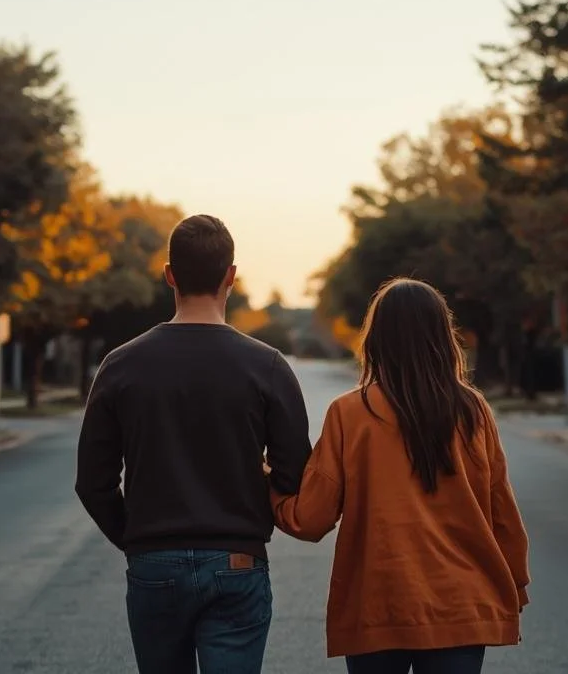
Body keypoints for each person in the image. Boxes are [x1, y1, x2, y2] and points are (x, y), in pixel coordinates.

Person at [75, 214, 312, 674]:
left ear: (169, 275)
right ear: (231, 276)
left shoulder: (120, 366)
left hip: (154, 563)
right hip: (237, 561)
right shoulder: (266, 366)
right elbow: (295, 473)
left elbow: (93, 483)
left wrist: (136, 539)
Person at [271, 278, 530, 674]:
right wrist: (515, 583)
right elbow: (502, 512)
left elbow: (311, 518)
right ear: (443, 338)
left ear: (376, 339)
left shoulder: (350, 414)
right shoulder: (473, 411)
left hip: (377, 604)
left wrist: (265, 482)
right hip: (459, 605)